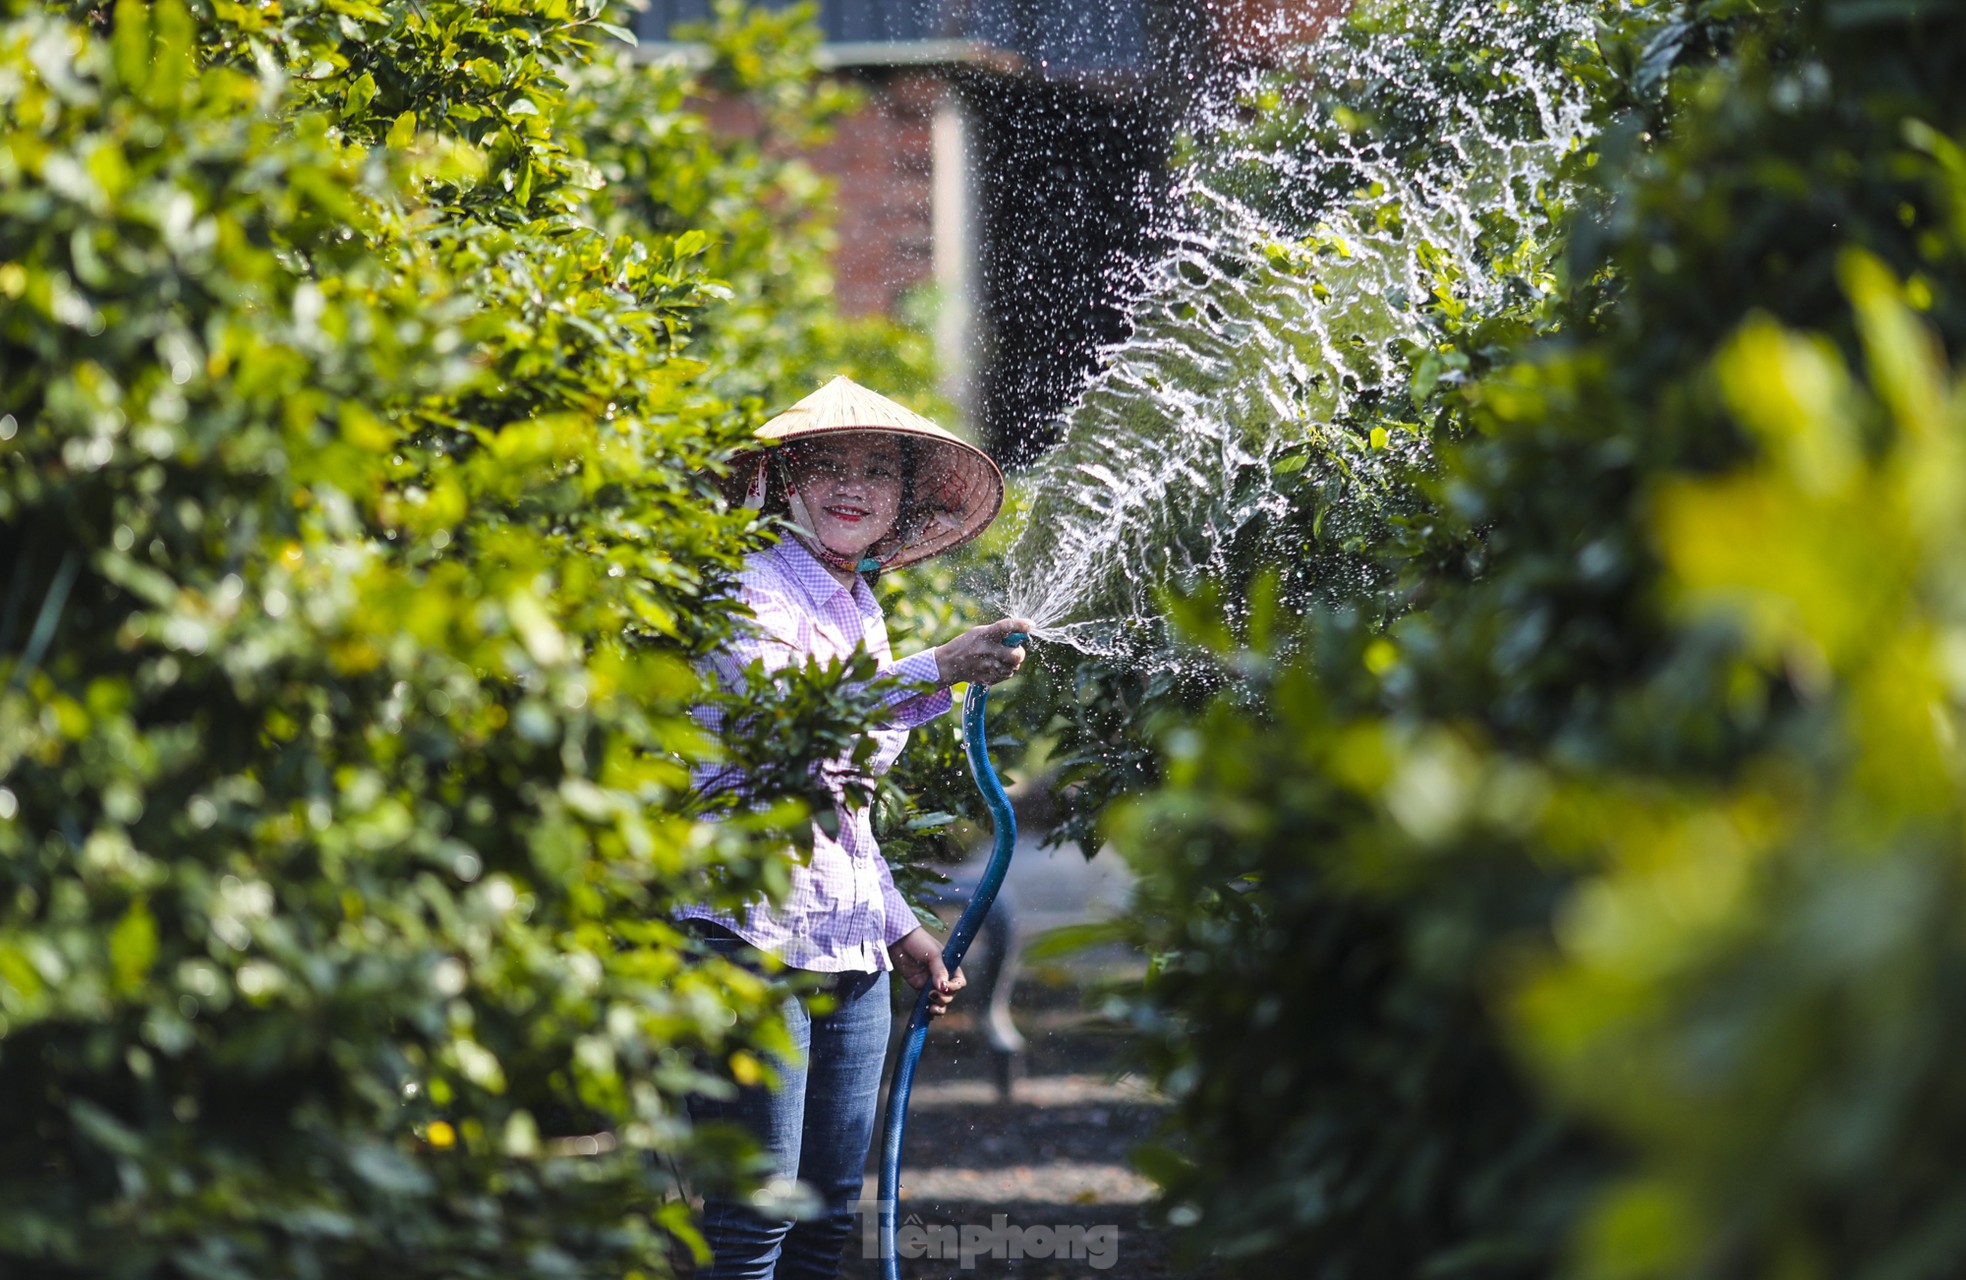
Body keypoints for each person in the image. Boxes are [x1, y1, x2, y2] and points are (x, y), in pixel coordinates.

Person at [679, 376, 1033, 1280]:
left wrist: (902, 928)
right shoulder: (744, 582)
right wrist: (942, 664)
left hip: (848, 943)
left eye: (878, 471)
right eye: (830, 465)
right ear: (786, 480)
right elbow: (782, 723)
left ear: (902, 506)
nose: (854, 487)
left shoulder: (858, 607)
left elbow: (840, 803)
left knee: (828, 1217)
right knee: (757, 1217)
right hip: (744, 934)